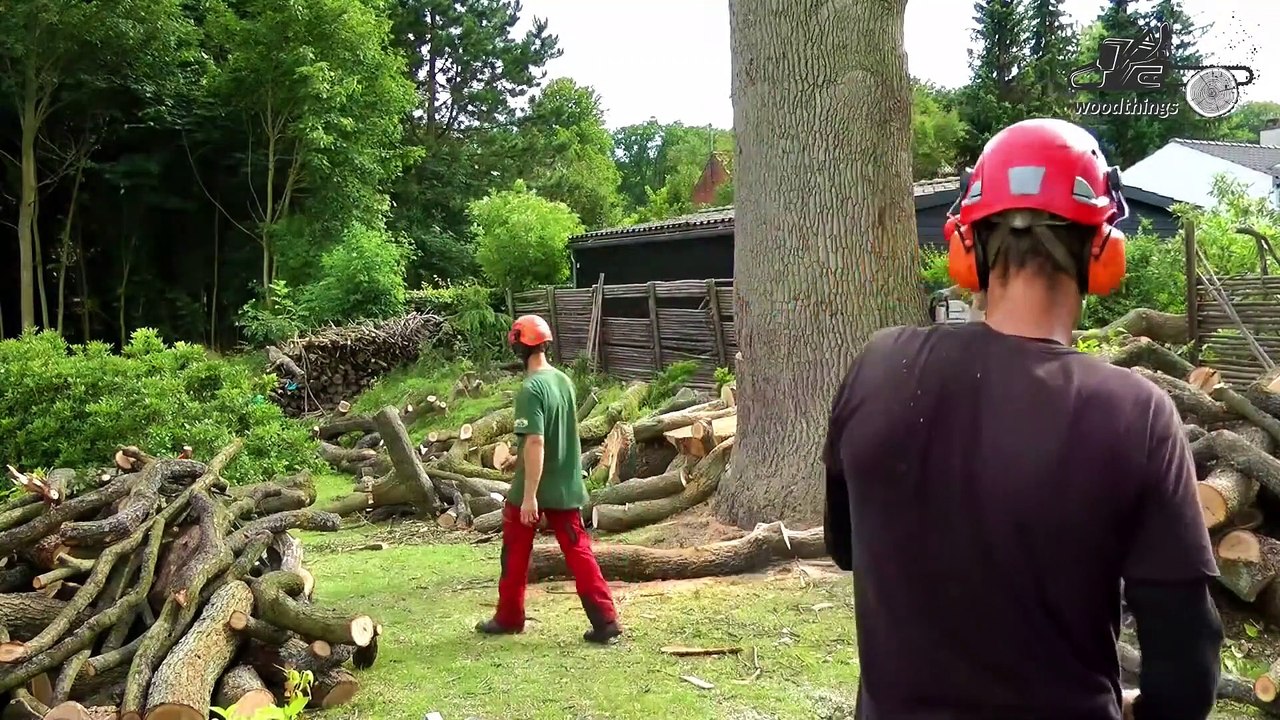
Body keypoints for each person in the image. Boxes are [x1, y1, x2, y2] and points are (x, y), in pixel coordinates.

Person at [823, 118, 1223, 720]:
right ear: (1103, 251)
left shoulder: (878, 366)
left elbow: (845, 546)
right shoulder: (1135, 415)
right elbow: (1186, 661)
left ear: (967, 248)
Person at [475, 314, 621, 644]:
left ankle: (509, 617)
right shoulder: (562, 381)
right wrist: (517, 458)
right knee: (580, 552)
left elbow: (538, 440)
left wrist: (529, 496)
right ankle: (606, 621)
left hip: (536, 488)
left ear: (518, 347)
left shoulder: (530, 389)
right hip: (566, 486)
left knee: (514, 552)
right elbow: (547, 438)